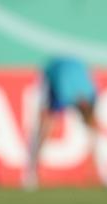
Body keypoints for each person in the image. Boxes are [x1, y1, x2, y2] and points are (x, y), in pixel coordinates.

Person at [25, 56, 98, 189]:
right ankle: (31, 172)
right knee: (45, 128)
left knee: (94, 130)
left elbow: (93, 125)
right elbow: (50, 115)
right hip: (52, 72)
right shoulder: (65, 92)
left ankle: (100, 173)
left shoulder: (92, 93)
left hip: (76, 66)